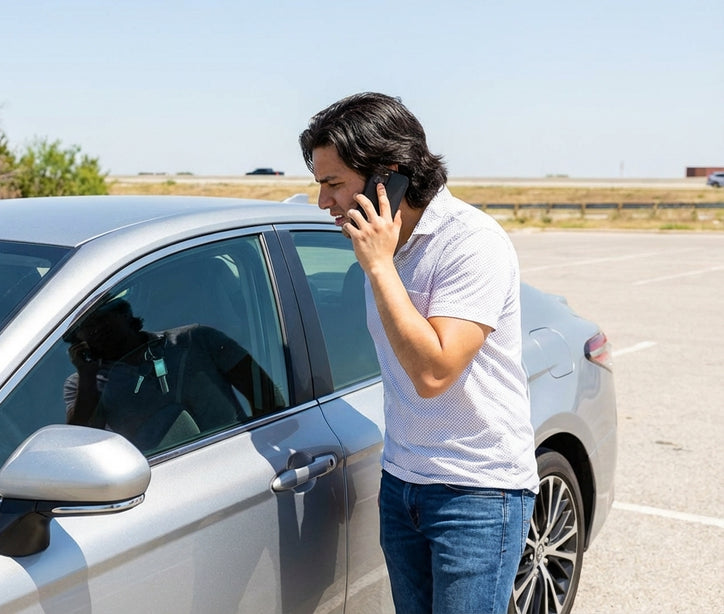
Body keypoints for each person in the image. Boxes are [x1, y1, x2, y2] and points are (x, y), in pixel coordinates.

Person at [299, 92, 538, 614]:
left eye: (333, 184)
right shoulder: (382, 246)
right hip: (402, 482)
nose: (324, 203)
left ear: (389, 176)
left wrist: (380, 268)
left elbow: (434, 373)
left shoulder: (472, 243)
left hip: (476, 494)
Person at [63, 297, 280, 451]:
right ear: (78, 343)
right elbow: (82, 444)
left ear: (124, 313)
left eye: (103, 319)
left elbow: (265, 394)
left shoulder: (197, 340)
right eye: (88, 328)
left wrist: (264, 446)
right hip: (160, 480)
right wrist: (87, 376)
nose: (98, 331)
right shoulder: (82, 385)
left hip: (234, 457)